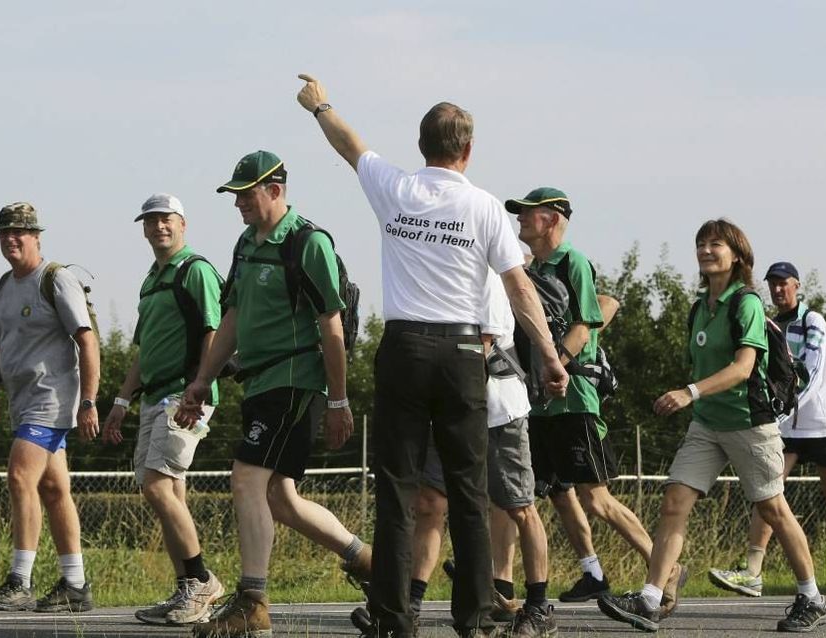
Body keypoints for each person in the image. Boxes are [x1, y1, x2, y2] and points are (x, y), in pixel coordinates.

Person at [296, 74, 568, 638]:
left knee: (397, 488)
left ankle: (395, 619)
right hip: (464, 350)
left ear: (422, 146)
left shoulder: (394, 186)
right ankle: (474, 619)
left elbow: (349, 145)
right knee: (469, 491)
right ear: (468, 150)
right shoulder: (484, 206)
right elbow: (518, 287)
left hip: (403, 348)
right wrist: (548, 354)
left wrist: (319, 103)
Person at [598, 219, 826, 633]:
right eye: (701, 243)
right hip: (707, 425)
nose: (706, 250)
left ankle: (812, 597)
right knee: (674, 501)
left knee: (773, 509)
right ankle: (651, 598)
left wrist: (690, 392)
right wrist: (697, 400)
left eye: (716, 244)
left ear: (737, 255)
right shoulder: (699, 307)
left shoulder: (747, 304)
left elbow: (743, 368)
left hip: (749, 423)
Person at [180, 150, 371, 638]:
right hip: (260, 381)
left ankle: (253, 601)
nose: (239, 203)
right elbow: (233, 319)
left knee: (245, 477)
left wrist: (338, 399)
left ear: (275, 189)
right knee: (280, 498)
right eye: (236, 194)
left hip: (294, 380)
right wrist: (203, 380)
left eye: (246, 193)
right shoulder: (246, 243)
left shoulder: (308, 243)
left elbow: (331, 324)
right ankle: (369, 561)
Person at [508, 187, 685, 611]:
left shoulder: (573, 262)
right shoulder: (531, 269)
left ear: (551, 219)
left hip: (574, 399)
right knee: (525, 495)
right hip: (540, 403)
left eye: (528, 214)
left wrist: (559, 364)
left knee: (596, 498)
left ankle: (665, 568)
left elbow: (587, 323)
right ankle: (508, 582)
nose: (519, 220)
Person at [406, 272, 560, 638]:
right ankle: (409, 606)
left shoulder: (486, 279)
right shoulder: (436, 281)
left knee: (520, 506)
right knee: (430, 503)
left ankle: (538, 607)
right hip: (449, 411)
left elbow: (479, 349)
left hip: (497, 412)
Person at [102, 193, 225, 625]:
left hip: (183, 395)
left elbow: (215, 332)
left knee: (156, 485)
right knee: (168, 491)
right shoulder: (152, 279)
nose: (159, 227)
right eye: (151, 221)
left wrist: (200, 388)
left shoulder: (196, 271)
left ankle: (201, 582)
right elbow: (144, 348)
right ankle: (185, 592)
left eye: (166, 220)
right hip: (155, 396)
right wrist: (121, 401)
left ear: (183, 224)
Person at [709, 261, 826, 598]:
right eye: (773, 284)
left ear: (797, 285)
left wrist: (780, 413)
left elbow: (815, 372)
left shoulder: (813, 320)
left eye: (784, 283)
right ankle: (752, 571)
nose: (778, 290)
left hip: (822, 423)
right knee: (769, 489)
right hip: (789, 426)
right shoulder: (769, 324)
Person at [0, 203, 100, 613]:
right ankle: (75, 584)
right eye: (4, 233)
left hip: (51, 398)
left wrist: (89, 401)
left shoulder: (56, 279)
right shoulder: (3, 286)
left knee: (18, 477)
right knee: (52, 488)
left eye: (20, 233)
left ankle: (20, 581)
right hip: (22, 401)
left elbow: (87, 340)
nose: (11, 239)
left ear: (36, 237)